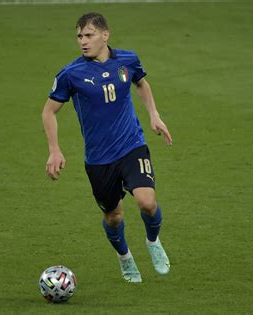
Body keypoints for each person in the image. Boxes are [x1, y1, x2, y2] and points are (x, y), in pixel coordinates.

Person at [41, 12, 172, 283]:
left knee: (147, 202)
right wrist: (54, 149)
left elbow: (141, 83)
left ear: (105, 35)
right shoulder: (71, 74)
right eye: (79, 36)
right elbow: (48, 112)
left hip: (131, 145)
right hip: (99, 159)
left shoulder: (128, 59)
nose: (82, 41)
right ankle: (125, 257)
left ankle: (153, 242)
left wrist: (154, 114)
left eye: (88, 35)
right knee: (114, 217)